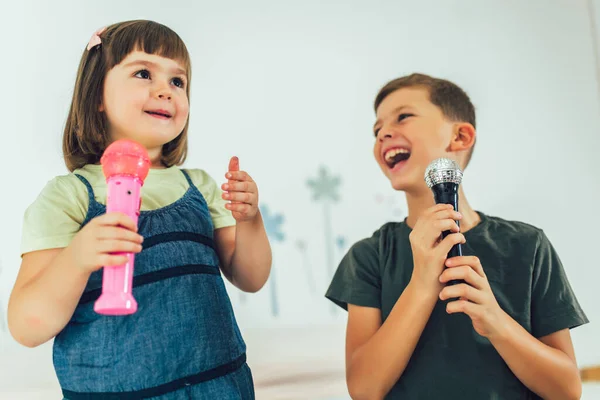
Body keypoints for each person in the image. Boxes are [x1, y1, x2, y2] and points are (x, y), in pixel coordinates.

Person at [7, 20, 271, 399]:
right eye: (144, 73)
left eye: (178, 82)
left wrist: (250, 220)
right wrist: (78, 257)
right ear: (96, 94)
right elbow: (26, 325)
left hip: (218, 385)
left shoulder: (199, 186)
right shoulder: (70, 195)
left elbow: (251, 277)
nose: (165, 90)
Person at [325, 73, 588, 399]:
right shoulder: (368, 257)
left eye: (403, 116)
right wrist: (421, 284)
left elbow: (567, 390)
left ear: (460, 136)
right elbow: (364, 389)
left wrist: (495, 321)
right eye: (377, 130)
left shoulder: (528, 246)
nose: (384, 134)